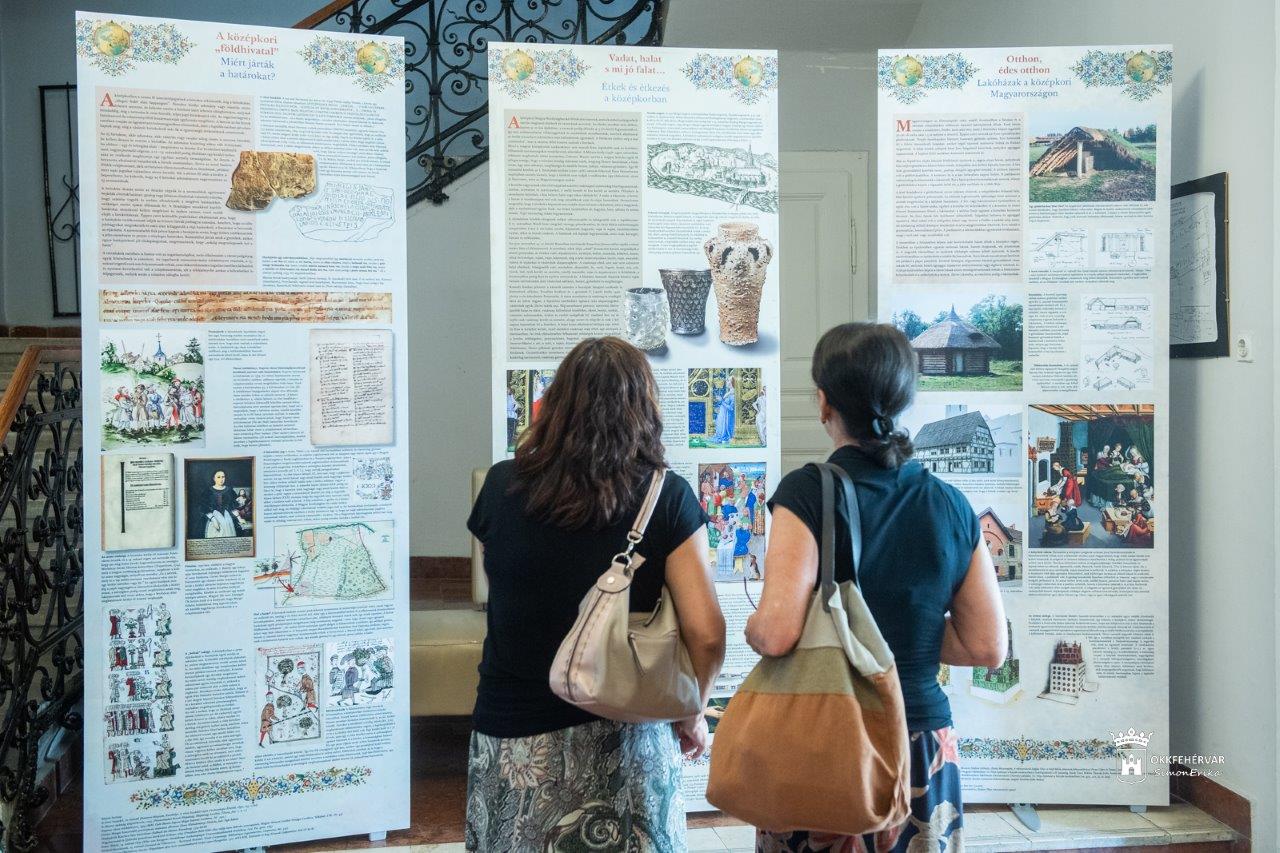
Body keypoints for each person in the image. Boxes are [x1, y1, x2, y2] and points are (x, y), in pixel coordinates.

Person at [742, 323, 1006, 853]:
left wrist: (755, 614)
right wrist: (905, 636)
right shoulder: (952, 503)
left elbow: (774, 634)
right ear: (905, 399)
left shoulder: (806, 493)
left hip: (828, 736)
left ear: (823, 403)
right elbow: (987, 646)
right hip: (923, 743)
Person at [466, 337, 725, 852]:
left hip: (510, 731)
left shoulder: (499, 486)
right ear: (645, 408)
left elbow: (503, 594)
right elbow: (707, 634)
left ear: (555, 405)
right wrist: (692, 709)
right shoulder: (666, 498)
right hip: (626, 732)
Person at [713, 376, 736, 445]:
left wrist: (721, 401)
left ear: (732, 383)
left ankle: (725, 438)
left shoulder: (733, 394)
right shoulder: (729, 392)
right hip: (722, 416)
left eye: (728, 380)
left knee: (723, 437)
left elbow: (731, 408)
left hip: (727, 418)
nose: (727, 382)